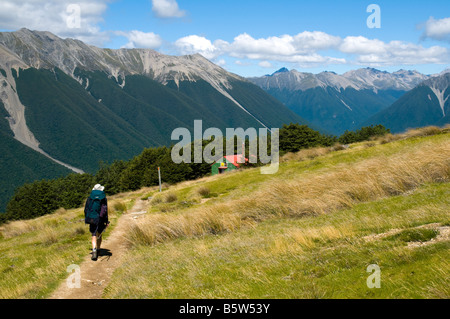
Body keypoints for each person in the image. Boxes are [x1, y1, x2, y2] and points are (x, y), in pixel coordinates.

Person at [84, 184, 109, 261]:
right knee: (99, 235)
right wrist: (106, 221)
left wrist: (87, 217)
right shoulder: (103, 198)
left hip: (92, 219)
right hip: (100, 219)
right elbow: (105, 211)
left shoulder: (90, 198)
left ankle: (94, 250)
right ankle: (98, 249)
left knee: (93, 234)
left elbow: (86, 209)